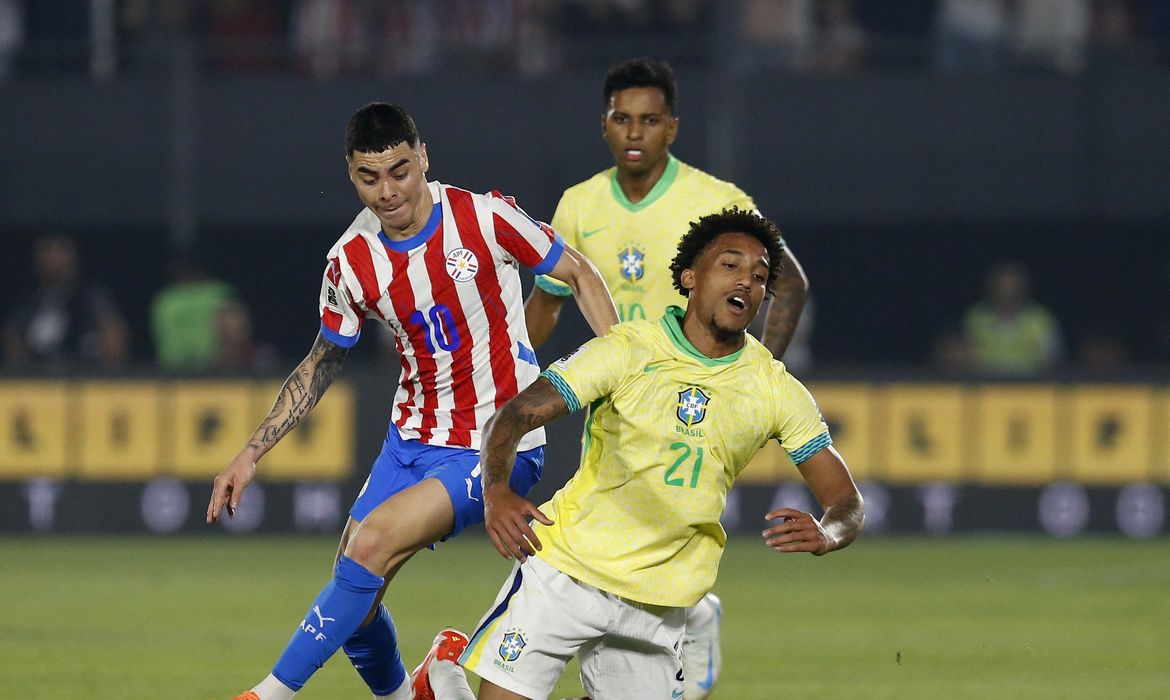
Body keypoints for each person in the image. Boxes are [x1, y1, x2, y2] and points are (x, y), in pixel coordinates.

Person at [207, 102, 618, 700]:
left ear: (423, 156)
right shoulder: (350, 261)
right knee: (352, 602)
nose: (388, 191)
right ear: (351, 174)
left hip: (498, 440)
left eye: (400, 171)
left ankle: (268, 693)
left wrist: (623, 367)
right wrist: (251, 451)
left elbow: (578, 273)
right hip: (411, 438)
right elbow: (322, 362)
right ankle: (413, 692)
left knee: (368, 548)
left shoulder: (486, 219)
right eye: (369, 178)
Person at [415, 208, 864, 700]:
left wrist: (828, 531)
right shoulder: (628, 350)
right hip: (566, 570)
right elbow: (515, 416)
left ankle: (440, 685)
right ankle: (444, 676)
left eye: (759, 276)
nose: (747, 282)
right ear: (690, 277)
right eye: (730, 265)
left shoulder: (775, 388)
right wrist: (496, 491)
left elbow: (845, 499)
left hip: (659, 602)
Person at [520, 57, 811, 699]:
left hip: (693, 395)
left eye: (649, 121)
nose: (635, 133)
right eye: (622, 119)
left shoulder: (717, 200)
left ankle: (679, 622)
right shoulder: (579, 204)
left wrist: (755, 375)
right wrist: (511, 373)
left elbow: (789, 282)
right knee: (603, 532)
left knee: (643, 524)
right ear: (604, 126)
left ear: (671, 129)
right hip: (615, 391)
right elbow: (546, 303)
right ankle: (682, 624)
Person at [3, 233, 129, 369]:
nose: (52, 257)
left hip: (86, 377)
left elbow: (114, 338)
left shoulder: (92, 298)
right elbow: (13, 343)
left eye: (60, 250)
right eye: (46, 250)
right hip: (39, 381)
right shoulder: (28, 303)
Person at [963, 260, 1063, 375]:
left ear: (1023, 288)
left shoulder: (1040, 319)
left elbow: (1054, 359)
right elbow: (967, 358)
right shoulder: (976, 318)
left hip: (1032, 387)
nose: (1007, 292)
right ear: (992, 288)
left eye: (1012, 286)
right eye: (1002, 285)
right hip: (986, 386)